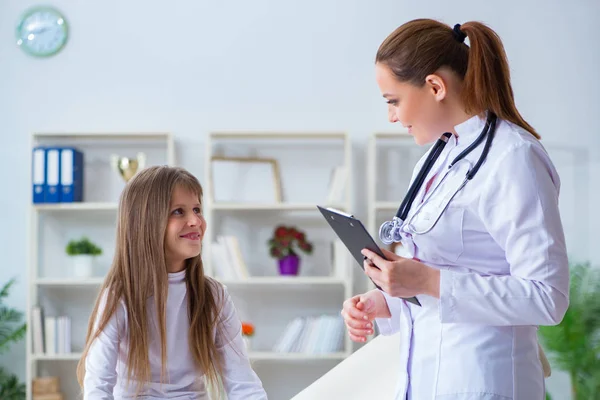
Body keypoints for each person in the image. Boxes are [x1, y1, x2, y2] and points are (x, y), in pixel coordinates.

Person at [341, 19, 569, 400]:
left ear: (435, 86)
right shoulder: (438, 158)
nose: (392, 117)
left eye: (393, 101)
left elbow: (548, 298)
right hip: (426, 379)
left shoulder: (513, 158)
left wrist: (429, 281)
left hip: (486, 381)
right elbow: (443, 270)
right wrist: (386, 299)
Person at [76, 166, 267, 399]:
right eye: (179, 211)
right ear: (146, 223)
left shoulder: (214, 295)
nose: (195, 220)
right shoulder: (120, 297)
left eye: (197, 209)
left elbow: (243, 384)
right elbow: (98, 387)